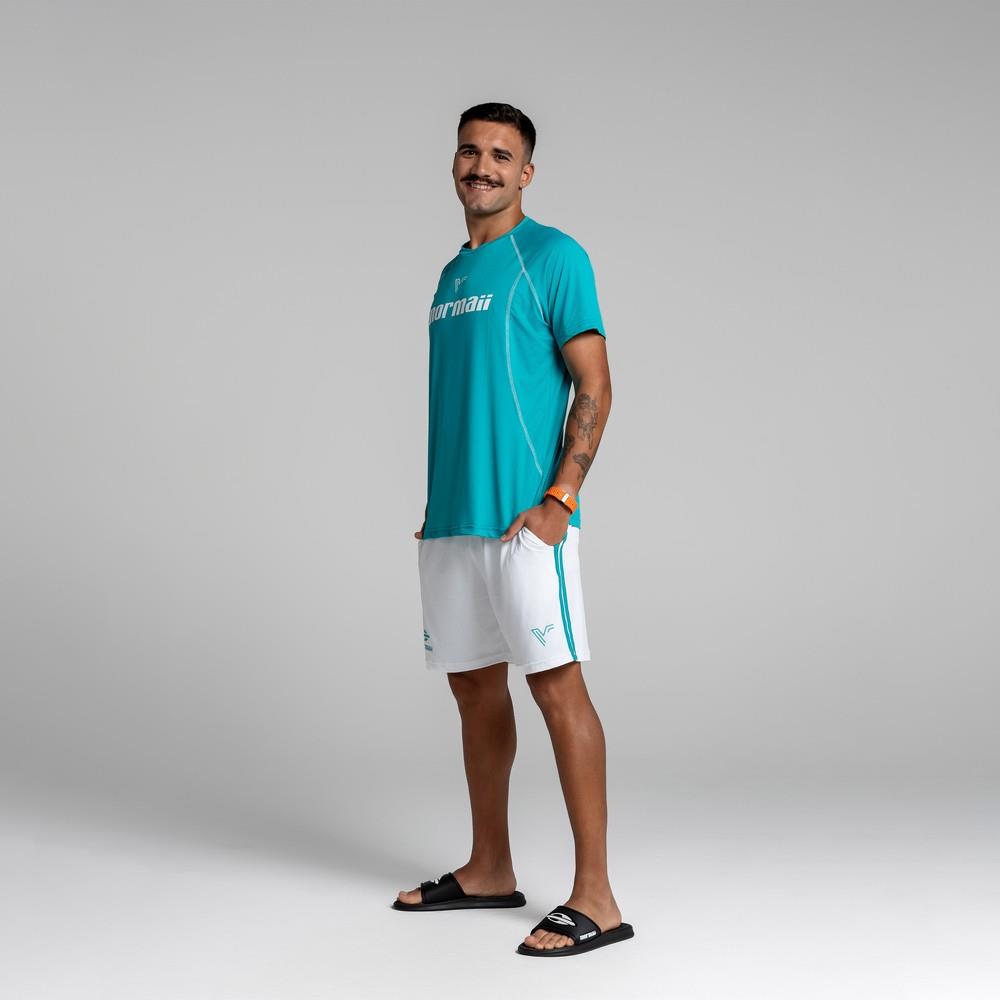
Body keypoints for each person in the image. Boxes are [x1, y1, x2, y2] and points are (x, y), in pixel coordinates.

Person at [393, 102, 633, 958]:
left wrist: (561, 497)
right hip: (452, 522)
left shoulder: (554, 257)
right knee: (473, 689)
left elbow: (595, 385)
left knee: (557, 688)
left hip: (525, 524)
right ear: (454, 164)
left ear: (525, 173)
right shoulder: (451, 274)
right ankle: (489, 867)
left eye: (501, 155)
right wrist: (437, 513)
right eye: (470, 151)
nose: (482, 166)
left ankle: (597, 897)